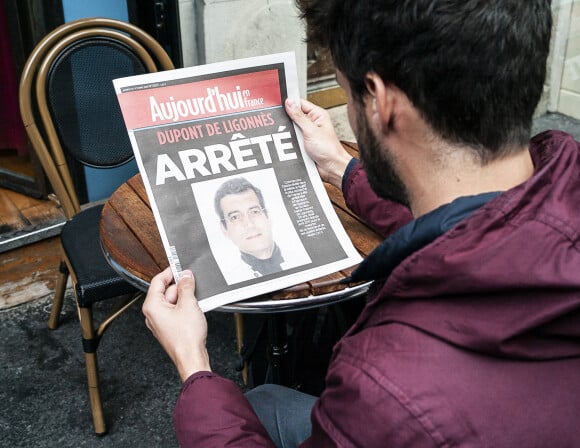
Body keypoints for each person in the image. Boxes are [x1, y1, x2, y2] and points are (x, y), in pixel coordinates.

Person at [142, 0, 580, 446]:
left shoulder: (382, 390)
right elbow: (478, 215)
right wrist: (340, 166)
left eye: (347, 94)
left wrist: (192, 360)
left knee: (241, 403)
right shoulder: (566, 181)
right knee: (265, 402)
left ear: (381, 101)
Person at [213, 177, 288, 282]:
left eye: (254, 212)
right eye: (235, 217)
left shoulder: (301, 257)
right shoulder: (229, 279)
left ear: (268, 216)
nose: (249, 224)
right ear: (224, 229)